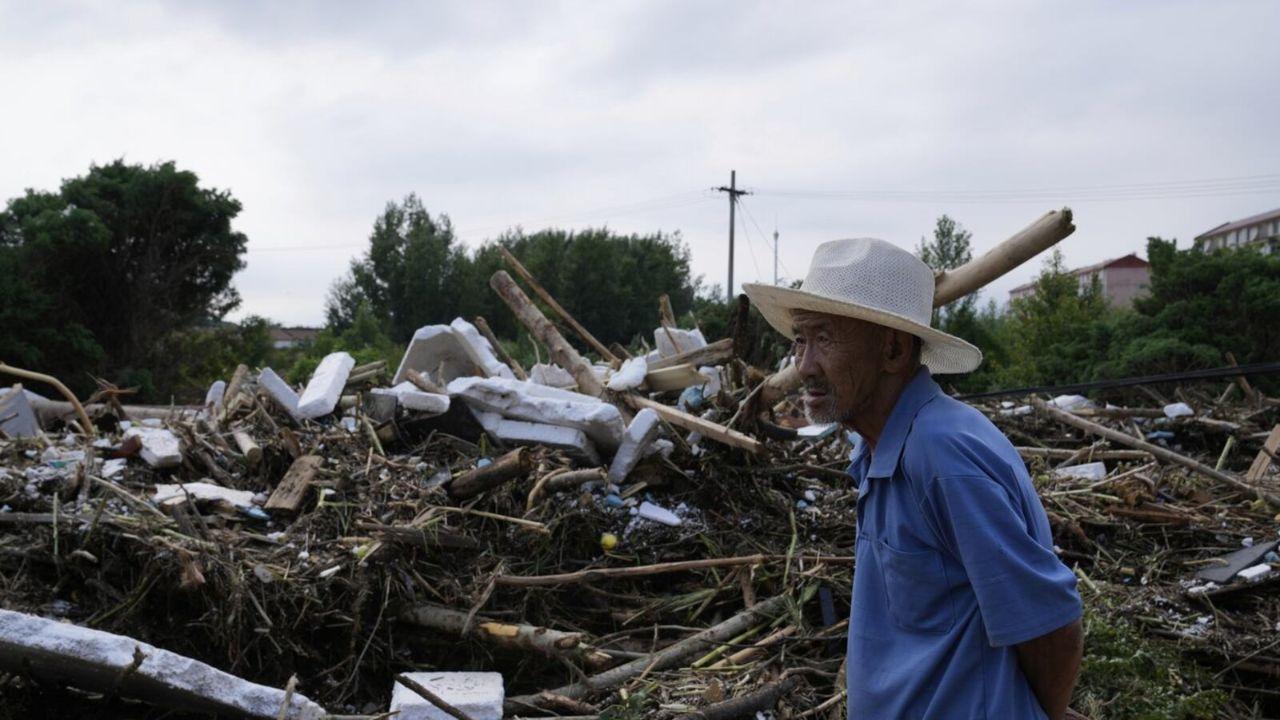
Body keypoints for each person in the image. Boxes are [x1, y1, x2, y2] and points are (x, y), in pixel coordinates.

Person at [744, 238, 1083, 719]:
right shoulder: (876, 445)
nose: (804, 366)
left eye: (825, 338)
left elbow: (1050, 626)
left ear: (895, 349)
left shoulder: (943, 456)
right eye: (800, 339)